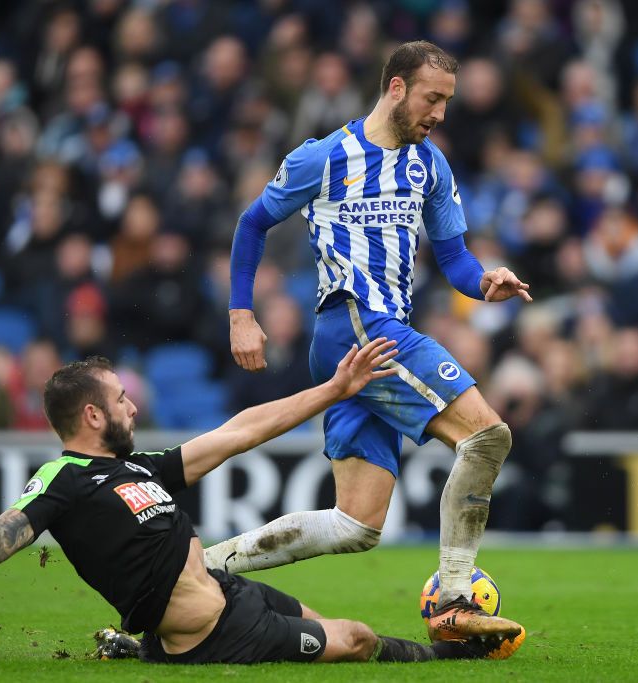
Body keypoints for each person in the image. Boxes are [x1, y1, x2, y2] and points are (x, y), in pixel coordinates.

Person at [0, 341, 525, 666]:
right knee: (357, 640)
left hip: (231, 596)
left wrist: (334, 390)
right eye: (121, 400)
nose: (133, 407)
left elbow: (241, 431)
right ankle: (455, 663)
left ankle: (143, 648)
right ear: (92, 415)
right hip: (216, 634)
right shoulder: (61, 479)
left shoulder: (136, 467)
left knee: (328, 625)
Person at [218, 40, 532, 641]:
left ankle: (199, 569)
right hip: (357, 325)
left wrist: (484, 280)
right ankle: (454, 602)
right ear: (395, 87)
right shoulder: (324, 157)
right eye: (432, 98)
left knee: (355, 524)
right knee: (487, 438)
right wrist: (240, 313)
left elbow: (454, 259)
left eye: (448, 101)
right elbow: (252, 221)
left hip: (374, 338)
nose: (440, 113)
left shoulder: (430, 165)